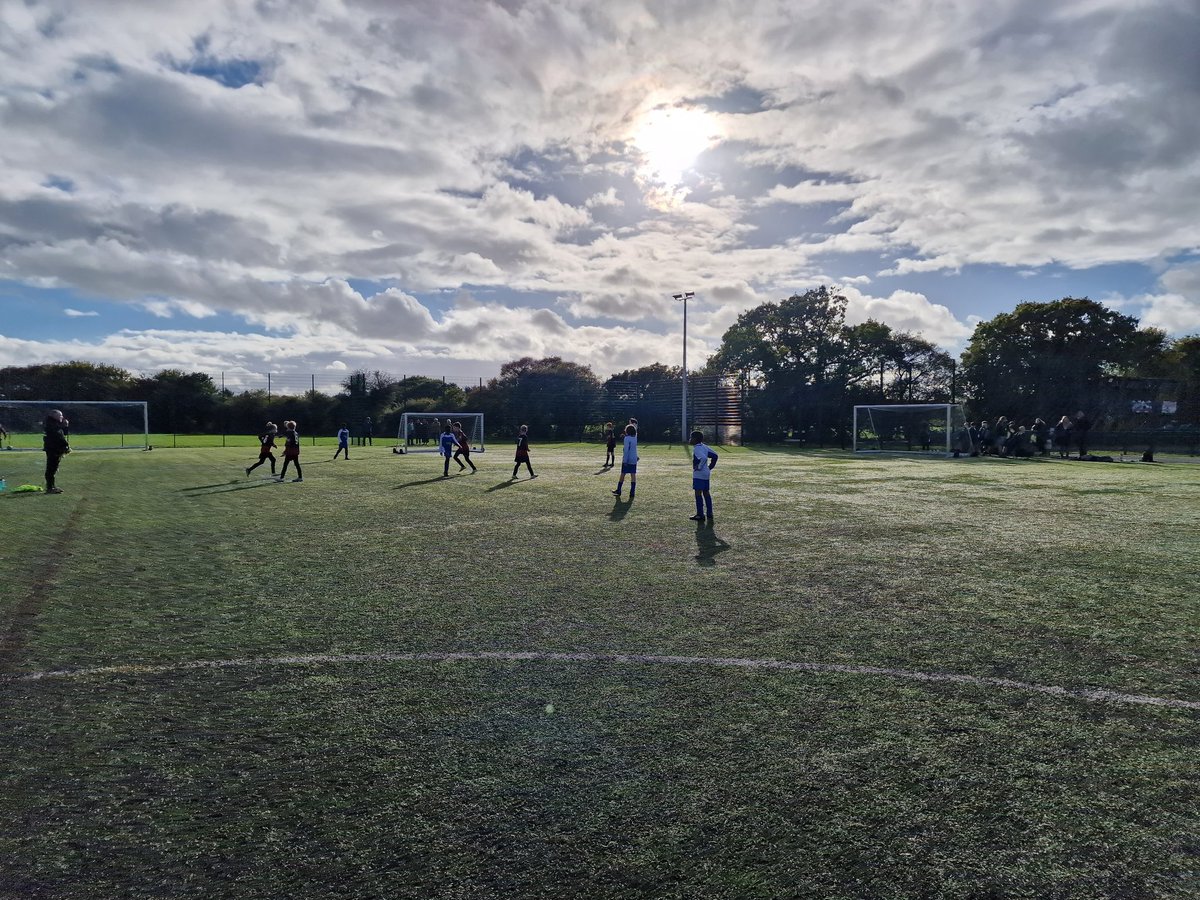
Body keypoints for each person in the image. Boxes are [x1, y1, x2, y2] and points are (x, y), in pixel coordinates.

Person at [689, 429, 718, 521]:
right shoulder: (704, 446)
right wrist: (710, 467)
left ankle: (700, 515)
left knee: (698, 493)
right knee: (706, 492)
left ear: (695, 439)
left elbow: (704, 458)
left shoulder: (697, 448)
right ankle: (709, 513)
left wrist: (699, 467)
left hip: (699, 474)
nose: (690, 439)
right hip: (706, 473)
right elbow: (715, 456)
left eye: (691, 437)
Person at [43, 409, 70, 494]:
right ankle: (50, 487)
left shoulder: (55, 424)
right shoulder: (51, 424)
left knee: (53, 468)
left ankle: (51, 486)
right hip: (53, 449)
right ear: (54, 416)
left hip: (55, 448)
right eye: (60, 415)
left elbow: (62, 434)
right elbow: (58, 436)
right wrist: (66, 446)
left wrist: (65, 426)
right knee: (51, 468)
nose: (61, 417)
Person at [612, 423, 638, 499]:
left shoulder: (626, 439)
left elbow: (626, 450)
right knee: (633, 474)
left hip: (628, 458)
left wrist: (625, 460)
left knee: (623, 474)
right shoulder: (635, 438)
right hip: (634, 458)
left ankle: (619, 490)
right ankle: (632, 492)